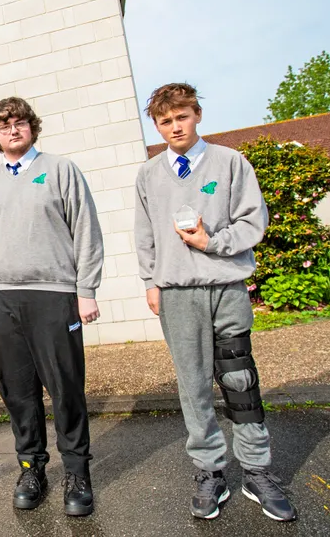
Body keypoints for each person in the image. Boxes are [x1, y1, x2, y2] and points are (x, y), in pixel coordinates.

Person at [134, 82, 297, 522]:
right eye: (165, 121)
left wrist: (212, 242)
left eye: (181, 117)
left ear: (197, 115)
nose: (175, 127)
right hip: (177, 293)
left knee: (240, 381)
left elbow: (253, 221)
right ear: (157, 126)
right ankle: (210, 471)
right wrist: (151, 281)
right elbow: (145, 234)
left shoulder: (230, 162)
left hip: (226, 287)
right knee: (193, 386)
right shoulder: (149, 174)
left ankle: (257, 471)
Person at [0, 97, 104, 517]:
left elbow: (86, 229)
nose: (13, 130)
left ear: (32, 127)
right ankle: (31, 467)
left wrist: (86, 290)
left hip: (53, 295)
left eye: (19, 123)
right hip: (1, 298)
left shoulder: (60, 169)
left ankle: (77, 472)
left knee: (65, 387)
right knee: (17, 391)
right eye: (4, 126)